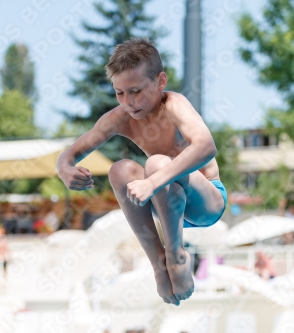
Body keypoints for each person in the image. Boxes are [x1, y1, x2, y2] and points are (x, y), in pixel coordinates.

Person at [57, 38, 227, 306]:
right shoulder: (120, 117)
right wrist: (64, 168)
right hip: (168, 204)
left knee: (157, 163)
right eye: (119, 93)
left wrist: (153, 181)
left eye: (135, 91)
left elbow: (206, 147)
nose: (128, 102)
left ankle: (176, 255)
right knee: (120, 171)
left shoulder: (173, 104)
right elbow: (73, 151)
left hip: (205, 202)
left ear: (161, 82)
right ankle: (159, 264)